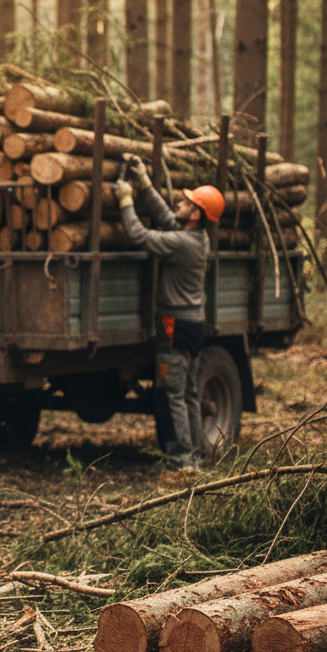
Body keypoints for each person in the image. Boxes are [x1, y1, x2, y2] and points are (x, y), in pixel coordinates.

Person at [115, 154, 225, 470]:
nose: (180, 202)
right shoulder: (196, 238)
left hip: (174, 327)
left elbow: (139, 236)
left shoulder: (183, 243)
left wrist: (125, 201)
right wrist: (144, 184)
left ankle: (182, 460)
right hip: (192, 325)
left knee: (172, 394)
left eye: (188, 202)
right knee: (188, 393)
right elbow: (167, 218)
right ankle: (193, 455)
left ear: (196, 214)